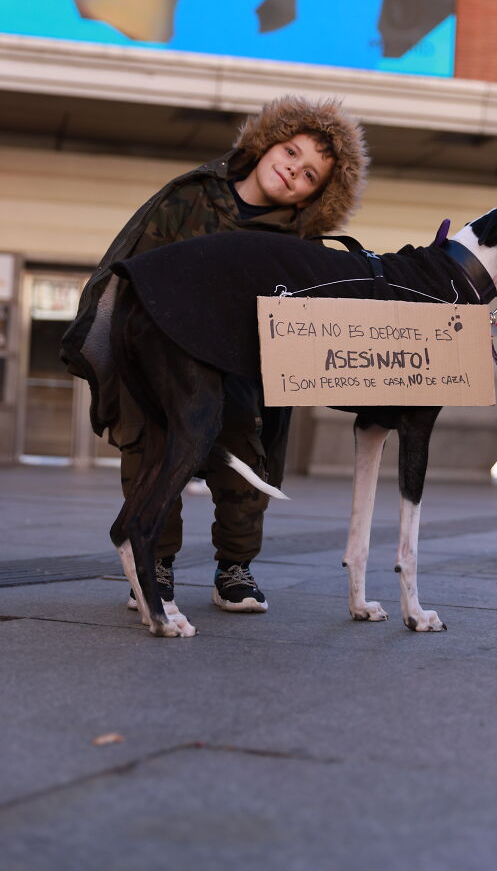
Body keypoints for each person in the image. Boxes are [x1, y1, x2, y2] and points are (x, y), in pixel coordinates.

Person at [61, 95, 368, 612]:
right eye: (291, 152)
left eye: (311, 173)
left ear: (317, 195)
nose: (293, 170)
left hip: (239, 370)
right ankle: (153, 560)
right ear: (268, 143)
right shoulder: (192, 196)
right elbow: (136, 270)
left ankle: (236, 568)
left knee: (247, 461)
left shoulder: (300, 241)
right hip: (160, 359)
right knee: (151, 455)